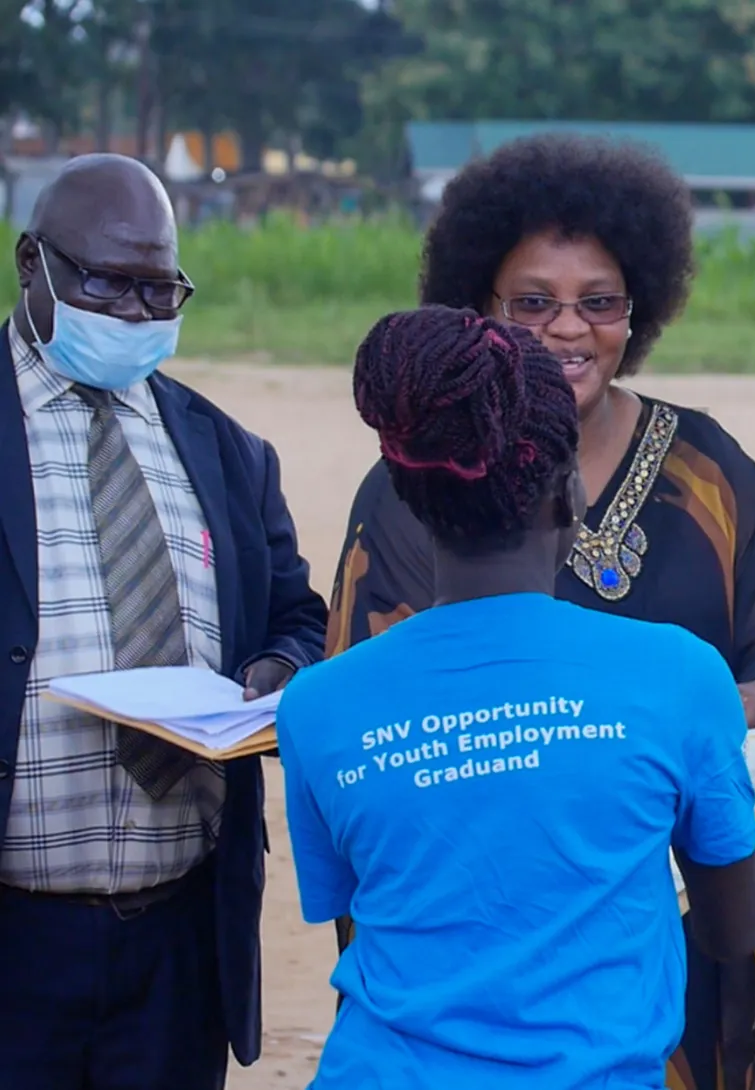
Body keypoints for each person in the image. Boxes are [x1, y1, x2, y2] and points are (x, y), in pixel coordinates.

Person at [326, 134, 755, 1088]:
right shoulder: (410, 489)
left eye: (598, 302)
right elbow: (377, 692)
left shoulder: (708, 472)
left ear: (636, 307)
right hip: (472, 924)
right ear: (479, 308)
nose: (568, 331)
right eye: (533, 302)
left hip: (681, 911)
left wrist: (690, 728)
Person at [278, 305, 755, 1087]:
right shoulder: (680, 675)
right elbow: (732, 927)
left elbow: (363, 901)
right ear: (569, 493)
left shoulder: (316, 705)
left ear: (409, 498)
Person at [0, 154, 328, 1088]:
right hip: (16, 940)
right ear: (32, 263)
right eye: (109, 284)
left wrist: (276, 672)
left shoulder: (223, 450)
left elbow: (297, 617)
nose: (138, 316)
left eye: (163, 291)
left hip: (181, 940)